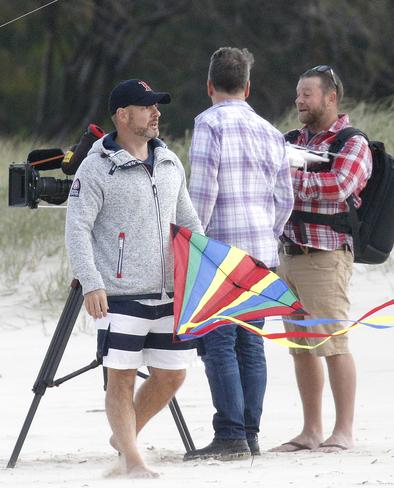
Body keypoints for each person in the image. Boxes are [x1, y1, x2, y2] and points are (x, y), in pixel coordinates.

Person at [65, 79, 204, 478]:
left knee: (173, 373)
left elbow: (189, 222)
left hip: (171, 293)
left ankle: (124, 436)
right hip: (119, 294)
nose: (156, 113)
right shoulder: (95, 167)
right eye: (147, 107)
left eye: (157, 106)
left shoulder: (169, 161)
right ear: (122, 115)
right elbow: (77, 228)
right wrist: (91, 282)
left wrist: (205, 269)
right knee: (121, 378)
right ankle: (133, 459)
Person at [184, 47, 294, 461]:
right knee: (252, 345)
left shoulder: (208, 123)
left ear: (209, 85)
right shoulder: (269, 130)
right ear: (247, 87)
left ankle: (229, 433)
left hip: (221, 253)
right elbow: (285, 196)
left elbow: (204, 191)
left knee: (219, 345)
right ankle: (249, 433)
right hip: (261, 253)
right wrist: (269, 234)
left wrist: (195, 242)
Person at [270, 65, 372, 453]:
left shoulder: (352, 142)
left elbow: (337, 186)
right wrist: (287, 173)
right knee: (300, 346)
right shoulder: (290, 139)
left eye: (307, 94)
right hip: (287, 255)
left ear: (331, 98)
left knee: (333, 343)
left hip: (326, 256)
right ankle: (311, 430)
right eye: (298, 93)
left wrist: (284, 176)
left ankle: (343, 431)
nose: (299, 100)